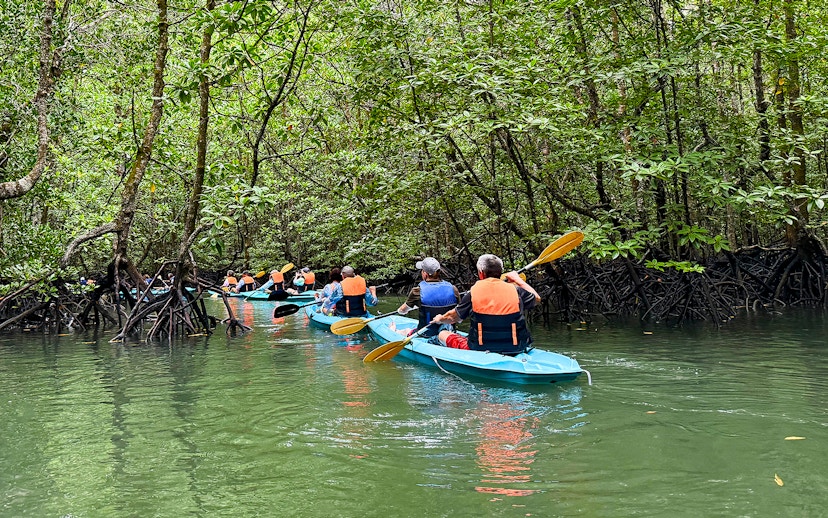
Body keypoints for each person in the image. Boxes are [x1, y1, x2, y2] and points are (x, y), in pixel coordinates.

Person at [432, 254, 540, 354]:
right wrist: (517, 279)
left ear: (481, 273)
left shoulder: (473, 293)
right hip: (517, 347)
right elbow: (537, 298)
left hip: (480, 348)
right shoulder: (516, 291)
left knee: (443, 334)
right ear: (501, 271)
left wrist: (440, 319)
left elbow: (451, 318)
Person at [397, 257, 460, 338]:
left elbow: (403, 310)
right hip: (449, 334)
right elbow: (459, 314)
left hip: (424, 334)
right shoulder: (453, 289)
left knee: (404, 331)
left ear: (425, 273)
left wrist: (399, 311)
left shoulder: (417, 291)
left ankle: (394, 330)